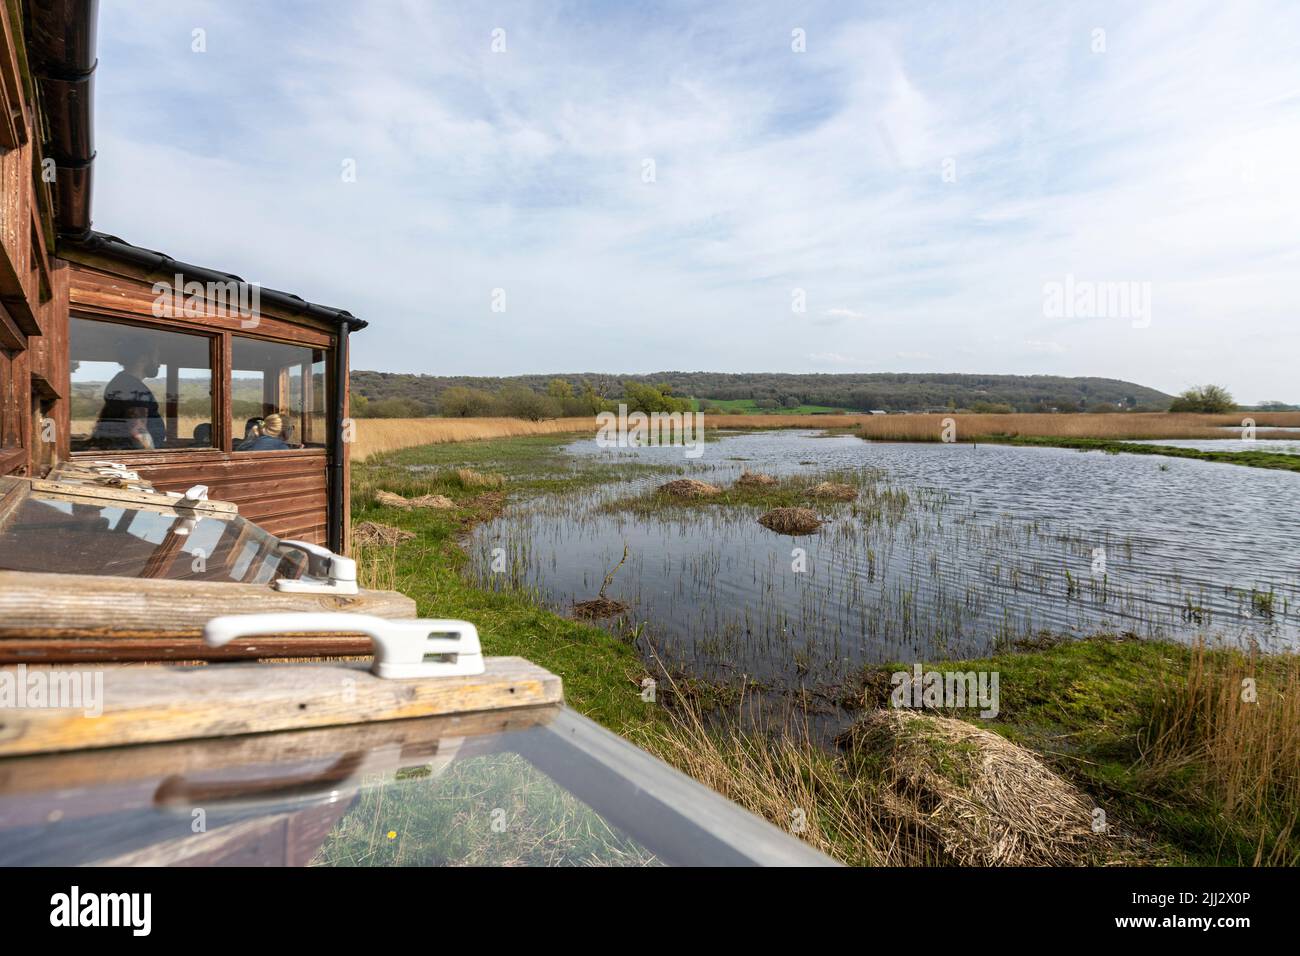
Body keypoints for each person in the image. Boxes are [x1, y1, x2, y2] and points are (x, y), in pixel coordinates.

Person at [88, 344, 166, 450]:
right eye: (156, 358)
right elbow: (138, 431)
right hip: (135, 454)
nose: (159, 364)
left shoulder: (122, 382)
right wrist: (153, 458)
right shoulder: (133, 388)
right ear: (143, 358)